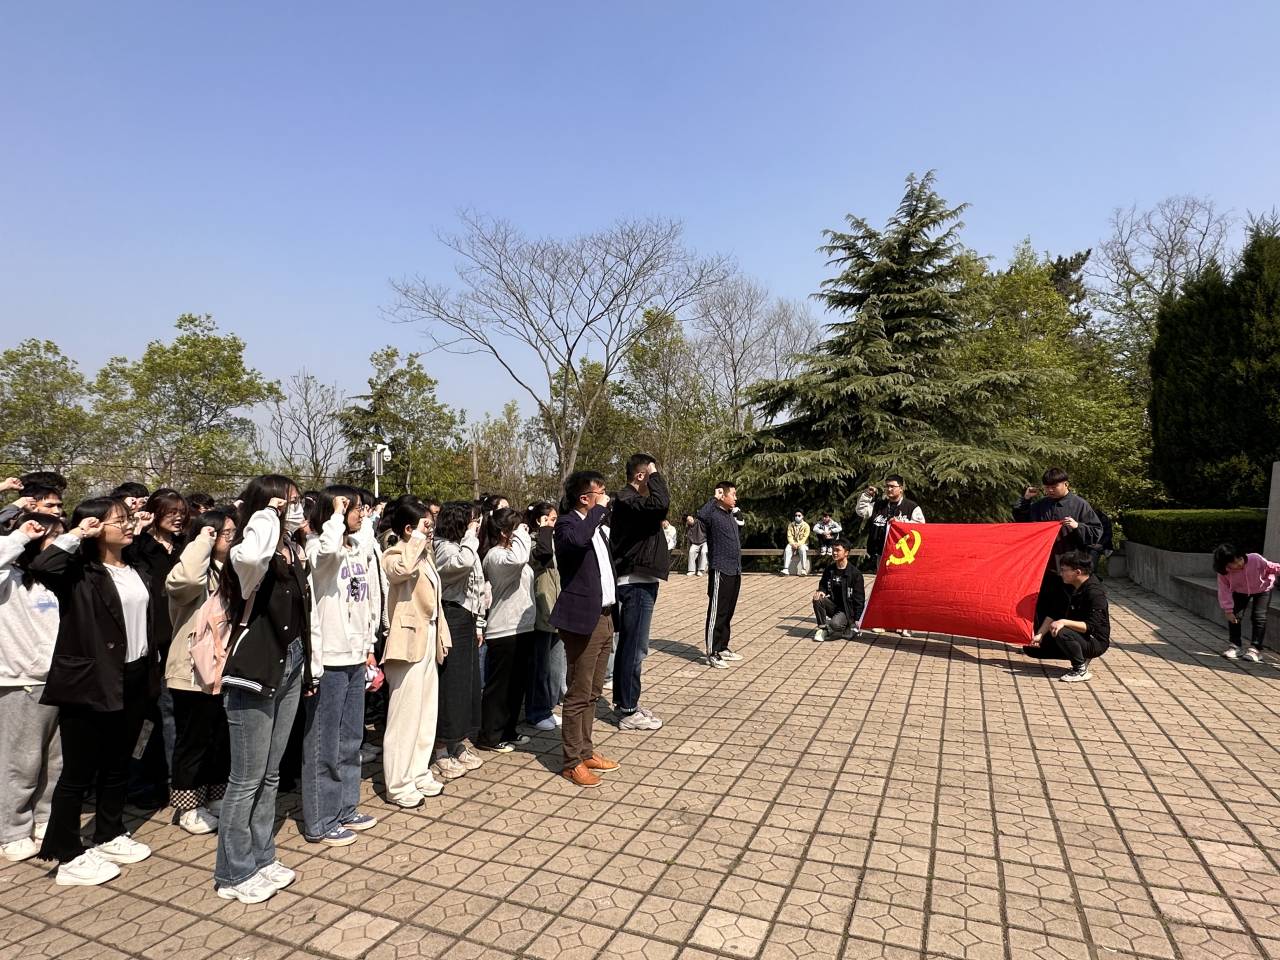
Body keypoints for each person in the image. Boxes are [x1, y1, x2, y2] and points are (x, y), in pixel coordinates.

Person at [31, 498, 161, 886]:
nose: (128, 525)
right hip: (91, 679)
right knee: (78, 770)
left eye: (128, 519)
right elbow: (43, 566)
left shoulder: (136, 567)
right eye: (119, 520)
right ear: (95, 527)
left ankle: (108, 831)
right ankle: (66, 854)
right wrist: (76, 533)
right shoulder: (79, 572)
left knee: (119, 762)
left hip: (135, 674)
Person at [214, 475, 313, 903]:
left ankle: (261, 855)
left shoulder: (292, 549)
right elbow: (252, 554)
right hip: (253, 669)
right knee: (246, 779)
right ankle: (233, 872)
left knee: (271, 774)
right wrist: (265, 516)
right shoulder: (248, 552)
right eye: (284, 502)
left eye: (295, 501)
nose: (292, 508)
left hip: (290, 662)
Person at [301, 488, 381, 846]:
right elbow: (326, 554)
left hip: (354, 656)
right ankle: (321, 818)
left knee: (351, 740)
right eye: (353, 508)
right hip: (330, 660)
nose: (361, 513)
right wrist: (335, 514)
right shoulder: (318, 547)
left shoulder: (355, 547)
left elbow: (365, 600)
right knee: (324, 743)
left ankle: (347, 807)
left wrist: (367, 647)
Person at [163, 507, 237, 836]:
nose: (231, 539)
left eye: (233, 533)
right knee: (193, 740)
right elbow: (187, 581)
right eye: (224, 533)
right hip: (191, 670)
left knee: (220, 736)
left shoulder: (229, 571)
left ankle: (216, 795)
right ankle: (187, 806)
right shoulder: (191, 571)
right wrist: (202, 542)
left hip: (224, 668)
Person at [0, 513, 65, 863]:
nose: (61, 542)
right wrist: (20, 535)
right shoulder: (9, 577)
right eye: (53, 536)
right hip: (21, 680)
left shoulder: (55, 579)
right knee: (20, 762)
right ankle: (11, 830)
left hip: (59, 680)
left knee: (55, 761)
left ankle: (44, 817)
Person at [551, 471, 620, 787]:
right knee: (578, 693)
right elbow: (577, 541)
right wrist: (597, 513)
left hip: (605, 616)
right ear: (584, 498)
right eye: (600, 493)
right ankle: (571, 762)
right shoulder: (567, 525)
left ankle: (586, 751)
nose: (606, 498)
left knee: (593, 692)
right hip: (582, 621)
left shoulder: (598, 526)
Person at [381, 499, 451, 808]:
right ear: (409, 529)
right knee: (404, 716)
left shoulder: (426, 556)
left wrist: (442, 636)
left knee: (425, 712)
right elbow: (401, 572)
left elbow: (434, 601)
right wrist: (416, 540)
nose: (431, 529)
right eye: (425, 524)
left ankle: (418, 771)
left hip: (429, 637)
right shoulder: (395, 553)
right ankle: (398, 783)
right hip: (407, 641)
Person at [610, 454, 670, 733]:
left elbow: (658, 508)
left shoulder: (635, 502)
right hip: (634, 583)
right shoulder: (626, 499)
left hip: (642, 580)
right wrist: (655, 475)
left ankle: (627, 703)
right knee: (634, 647)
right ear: (641, 475)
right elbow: (661, 504)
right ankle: (628, 710)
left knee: (633, 646)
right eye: (652, 473)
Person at [431, 502, 486, 781]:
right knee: (449, 685)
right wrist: (470, 536)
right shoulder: (443, 547)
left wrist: (479, 622)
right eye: (472, 520)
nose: (477, 524)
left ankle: (458, 742)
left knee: (466, 685)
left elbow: (478, 582)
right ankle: (441, 748)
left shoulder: (465, 546)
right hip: (449, 616)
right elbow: (461, 565)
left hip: (466, 617)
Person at [477, 507, 535, 752]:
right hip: (503, 629)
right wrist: (521, 532)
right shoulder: (495, 556)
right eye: (517, 527)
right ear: (504, 532)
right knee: (499, 687)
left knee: (516, 686)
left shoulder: (514, 551)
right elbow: (519, 560)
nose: (523, 532)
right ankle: (490, 735)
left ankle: (509, 730)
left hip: (523, 627)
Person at [1013, 467, 1103, 626]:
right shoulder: (1041, 505)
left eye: (1054, 487)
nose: (1050, 490)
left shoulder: (1080, 505)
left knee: (1066, 606)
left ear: (1066, 484)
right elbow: (1022, 522)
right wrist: (1026, 499)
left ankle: (1064, 636)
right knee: (1042, 605)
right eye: (1047, 487)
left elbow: (1096, 532)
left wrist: (1078, 526)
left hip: (1070, 567)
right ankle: (1040, 636)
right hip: (1044, 567)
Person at [1025, 550, 1110, 682]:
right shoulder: (1070, 586)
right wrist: (1040, 635)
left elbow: (1091, 627)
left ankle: (1080, 669)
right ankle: (1079, 654)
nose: (1061, 573)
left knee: (1062, 632)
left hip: (1094, 641)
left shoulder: (1095, 594)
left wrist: (1063, 622)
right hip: (1077, 634)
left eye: (1064, 570)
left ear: (1078, 572)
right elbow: (1054, 613)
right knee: (1031, 649)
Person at [525, 501, 564, 732]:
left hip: (556, 606)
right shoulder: (531, 542)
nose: (552, 523)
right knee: (539, 665)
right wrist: (545, 530)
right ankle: (535, 711)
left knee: (554, 665)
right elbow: (543, 554)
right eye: (548, 519)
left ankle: (547, 707)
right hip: (541, 608)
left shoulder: (553, 540)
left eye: (554, 519)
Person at [697, 481, 744, 669]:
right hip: (721, 570)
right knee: (717, 612)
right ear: (722, 495)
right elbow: (701, 515)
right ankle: (712, 652)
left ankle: (723, 647)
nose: (735, 498)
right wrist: (714, 498)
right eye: (733, 494)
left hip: (735, 569)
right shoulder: (713, 514)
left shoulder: (729, 514)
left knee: (728, 611)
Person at [1213, 543, 1279, 662]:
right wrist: (1228, 610)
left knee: (1259, 617)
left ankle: (1255, 648)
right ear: (1225, 564)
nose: (1239, 564)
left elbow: (1270, 567)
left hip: (1263, 589)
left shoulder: (1255, 559)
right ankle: (1235, 645)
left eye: (1240, 559)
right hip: (1240, 591)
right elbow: (1224, 590)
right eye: (1233, 563)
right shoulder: (1224, 572)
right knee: (1235, 616)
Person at [856, 476, 926, 568]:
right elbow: (861, 511)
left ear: (901, 488)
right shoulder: (879, 505)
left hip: (903, 556)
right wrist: (867, 495)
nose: (889, 489)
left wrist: (901, 522)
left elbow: (921, 527)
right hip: (881, 554)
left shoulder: (912, 507)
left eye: (892, 486)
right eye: (887, 486)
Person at [811, 539, 865, 641]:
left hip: (847, 610)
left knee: (835, 624)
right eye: (833, 550)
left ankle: (845, 627)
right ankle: (822, 629)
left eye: (838, 550)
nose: (834, 553)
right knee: (818, 598)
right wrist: (821, 591)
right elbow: (823, 584)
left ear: (846, 553)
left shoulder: (855, 574)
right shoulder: (830, 570)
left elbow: (859, 599)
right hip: (834, 606)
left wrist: (858, 619)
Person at [782, 511, 811, 576]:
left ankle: (803, 569)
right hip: (793, 543)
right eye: (796, 515)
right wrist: (792, 543)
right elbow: (789, 536)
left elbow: (805, 537)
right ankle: (785, 569)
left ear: (802, 516)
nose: (797, 517)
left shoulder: (806, 526)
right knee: (787, 549)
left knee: (802, 549)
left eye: (799, 515)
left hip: (803, 544)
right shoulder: (791, 525)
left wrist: (798, 544)